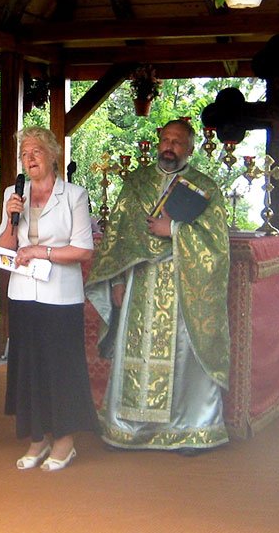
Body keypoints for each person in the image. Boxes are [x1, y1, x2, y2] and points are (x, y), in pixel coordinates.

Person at [87, 118, 230, 453]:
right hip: (140, 280)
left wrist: (175, 230)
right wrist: (119, 278)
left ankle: (190, 429)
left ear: (191, 148)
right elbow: (119, 235)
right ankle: (130, 428)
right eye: (165, 139)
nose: (169, 147)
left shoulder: (205, 187)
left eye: (177, 142)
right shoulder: (137, 183)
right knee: (137, 351)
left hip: (183, 283)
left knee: (183, 355)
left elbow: (217, 244)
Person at [0, 127, 98, 472]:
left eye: (36, 151)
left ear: (52, 154)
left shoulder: (74, 195)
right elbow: (4, 247)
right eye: (24, 154)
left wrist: (42, 250)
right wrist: (12, 219)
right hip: (23, 293)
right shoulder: (15, 192)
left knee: (61, 368)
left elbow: (84, 249)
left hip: (60, 296)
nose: (30, 158)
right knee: (27, 366)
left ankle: (65, 441)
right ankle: (36, 438)